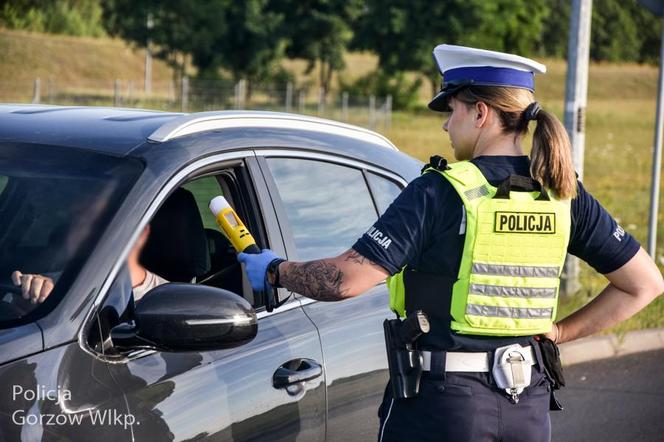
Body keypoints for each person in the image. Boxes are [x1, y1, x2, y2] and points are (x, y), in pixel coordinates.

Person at [238, 44, 664, 441]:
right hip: (529, 405)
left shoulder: (441, 192)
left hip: (444, 408)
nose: (446, 123)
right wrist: (558, 332)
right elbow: (644, 284)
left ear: (481, 112)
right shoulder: (562, 193)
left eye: (452, 109)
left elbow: (341, 282)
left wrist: (276, 269)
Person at [12, 225, 167, 304]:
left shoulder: (168, 301)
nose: (86, 233)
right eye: (80, 220)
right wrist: (25, 300)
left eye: (103, 222)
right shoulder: (47, 284)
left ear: (139, 233)